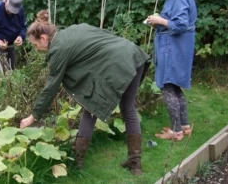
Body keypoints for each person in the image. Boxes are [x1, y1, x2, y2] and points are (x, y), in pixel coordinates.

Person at [20, 10, 150, 174]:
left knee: (90, 110)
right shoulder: (75, 29)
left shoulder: (58, 49)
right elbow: (102, 39)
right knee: (129, 109)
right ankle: (135, 164)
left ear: (44, 38)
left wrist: (33, 116)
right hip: (133, 54)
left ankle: (77, 163)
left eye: (35, 44)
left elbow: (51, 87)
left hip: (117, 65)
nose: (36, 48)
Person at [146, 0, 197, 141]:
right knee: (174, 86)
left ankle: (176, 133)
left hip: (174, 48)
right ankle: (184, 127)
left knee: (167, 86)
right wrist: (160, 19)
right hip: (177, 46)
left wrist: (160, 21)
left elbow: (181, 24)